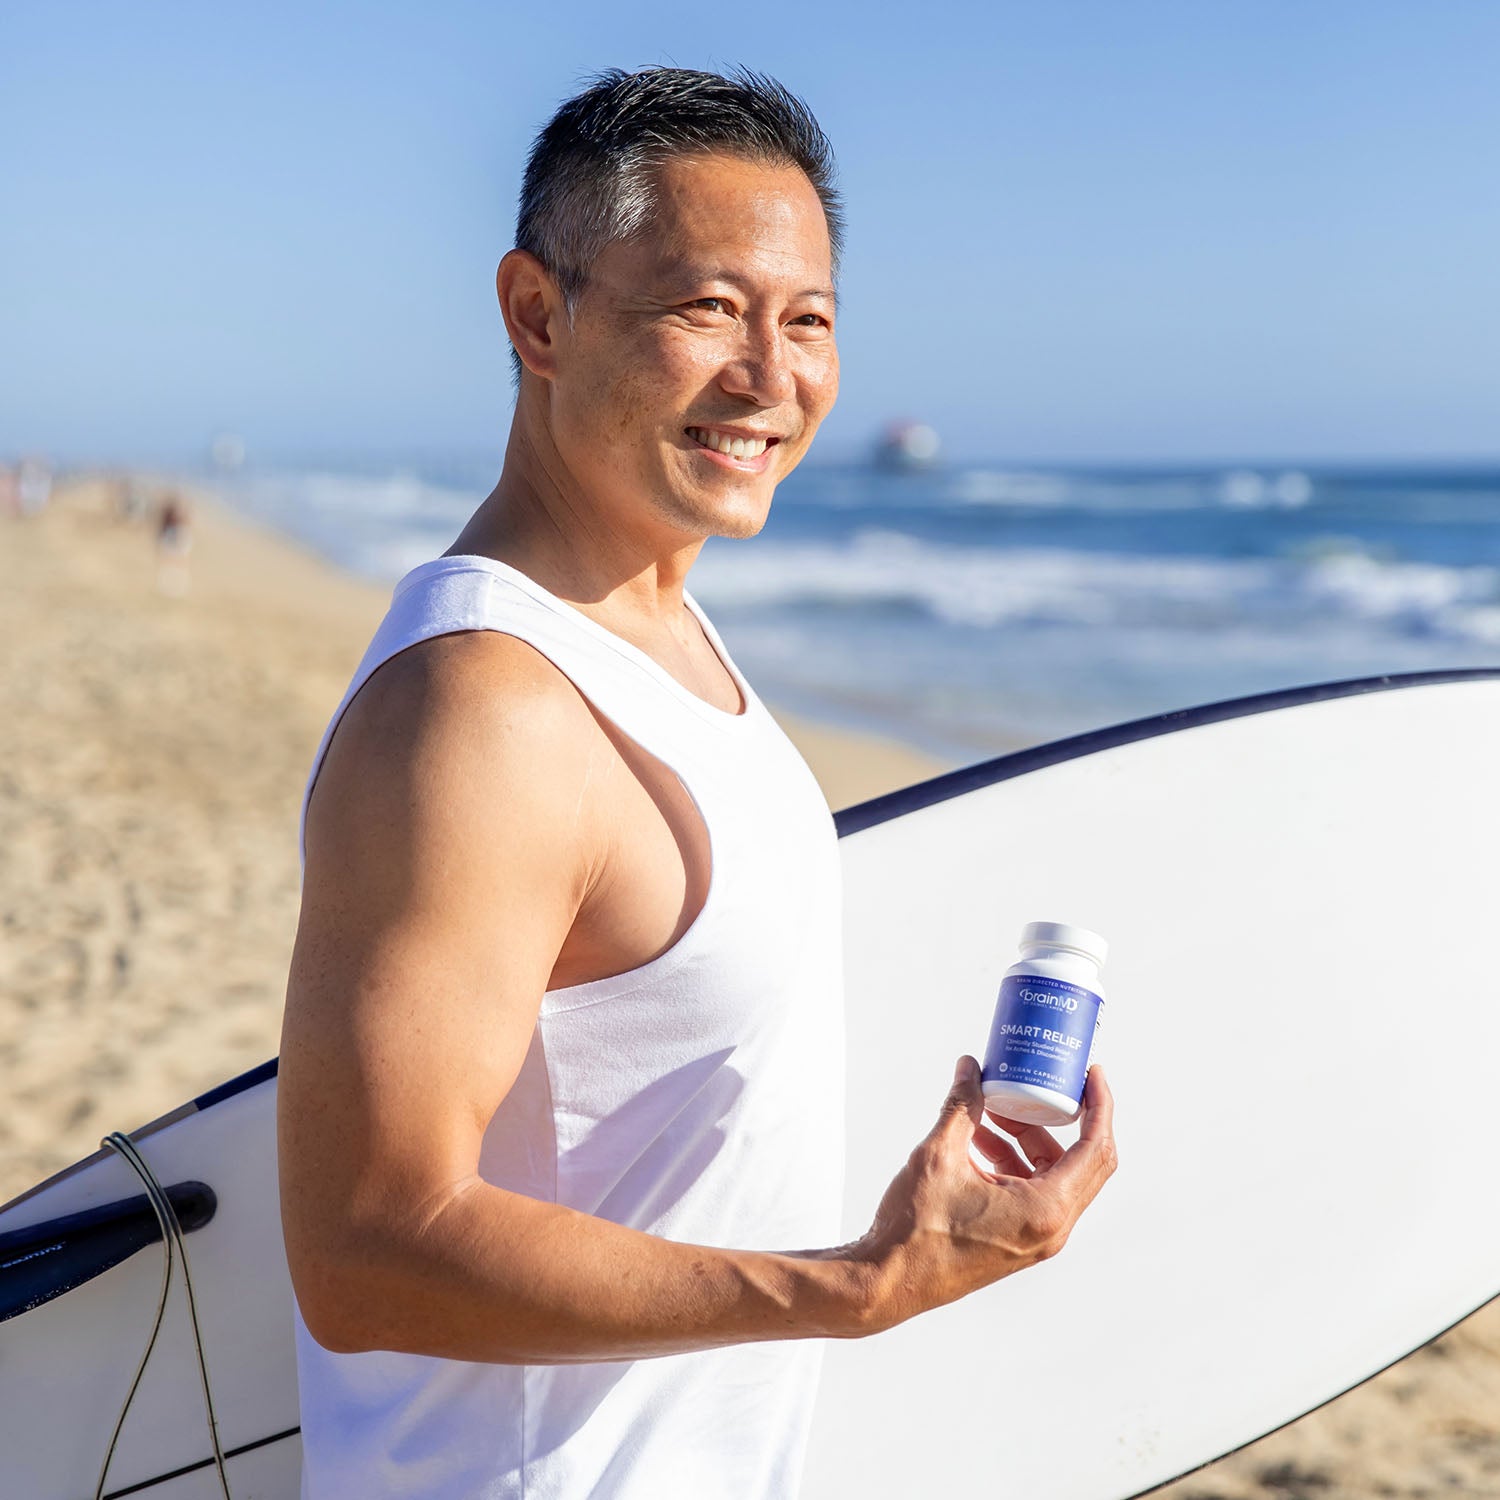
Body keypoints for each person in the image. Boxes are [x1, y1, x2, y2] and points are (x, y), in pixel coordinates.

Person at [278, 66, 1117, 1500]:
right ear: (540, 316)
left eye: (809, 322)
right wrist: (856, 1288)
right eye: (707, 309)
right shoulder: (484, 709)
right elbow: (368, 1246)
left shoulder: (665, 625)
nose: (771, 379)